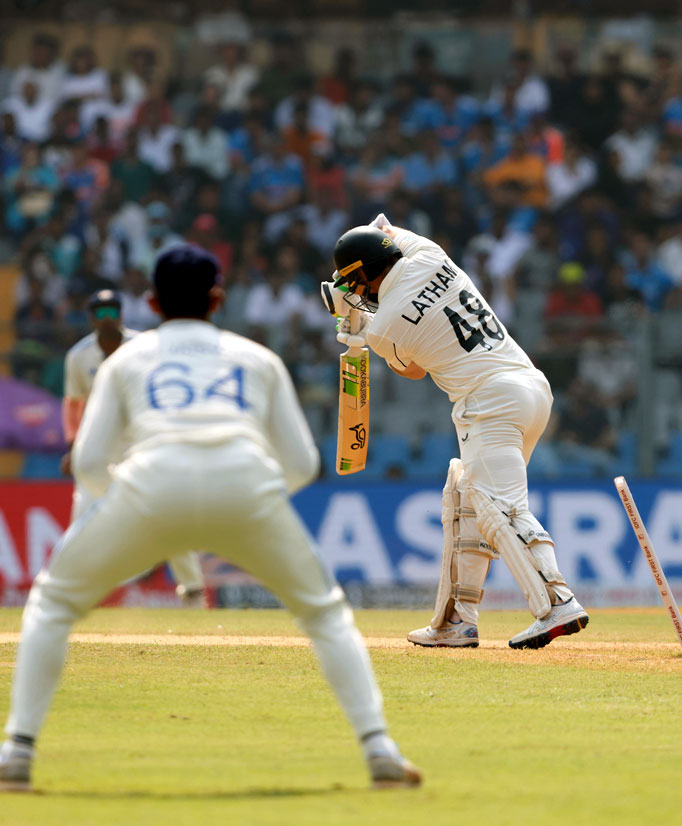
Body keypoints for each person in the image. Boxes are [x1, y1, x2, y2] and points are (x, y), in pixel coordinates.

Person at [0, 247, 420, 791]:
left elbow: (87, 463)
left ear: (151, 303)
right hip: (245, 486)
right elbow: (301, 464)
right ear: (218, 299)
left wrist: (129, 507)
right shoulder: (255, 358)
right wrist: (252, 503)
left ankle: (17, 753)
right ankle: (379, 749)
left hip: (148, 486)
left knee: (53, 605)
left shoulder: (126, 360)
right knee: (325, 614)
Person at [320, 216, 588, 650]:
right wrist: (354, 295)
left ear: (365, 274)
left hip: (489, 402)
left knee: (498, 506)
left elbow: (413, 370)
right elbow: (383, 226)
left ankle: (557, 601)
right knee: (464, 497)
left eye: (354, 283)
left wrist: (352, 325)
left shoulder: (385, 327)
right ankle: (456, 621)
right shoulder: (430, 253)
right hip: (530, 388)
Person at [61, 289, 208, 607]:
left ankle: (194, 591)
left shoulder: (144, 348)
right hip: (100, 447)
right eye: (100, 313)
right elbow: (73, 404)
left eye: (112, 311)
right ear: (91, 319)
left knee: (166, 514)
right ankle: (64, 593)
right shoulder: (79, 356)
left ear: (122, 314)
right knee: (82, 517)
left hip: (143, 444)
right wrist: (74, 445)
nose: (108, 318)